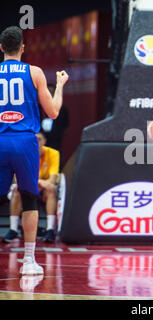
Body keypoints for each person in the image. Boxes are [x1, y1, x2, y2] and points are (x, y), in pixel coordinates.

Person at [0, 26, 68, 275]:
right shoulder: (35, 72)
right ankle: (28, 260)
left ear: (0, 48)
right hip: (25, 141)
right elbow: (53, 112)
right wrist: (60, 85)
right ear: (22, 47)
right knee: (29, 197)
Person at [3, 131, 60, 243]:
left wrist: (35, 182)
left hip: (43, 190)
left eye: (39, 139)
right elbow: (16, 179)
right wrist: (36, 182)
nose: (36, 142)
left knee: (51, 189)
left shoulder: (53, 153)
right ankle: (13, 230)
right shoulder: (20, 153)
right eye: (33, 139)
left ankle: (50, 230)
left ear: (44, 141)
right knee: (16, 189)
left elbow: (52, 180)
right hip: (27, 188)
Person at [41, 83, 69, 164]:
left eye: (51, 92)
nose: (49, 94)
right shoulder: (40, 107)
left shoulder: (62, 109)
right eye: (47, 92)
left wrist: (58, 135)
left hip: (55, 142)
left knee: (55, 162)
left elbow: (66, 126)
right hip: (42, 143)